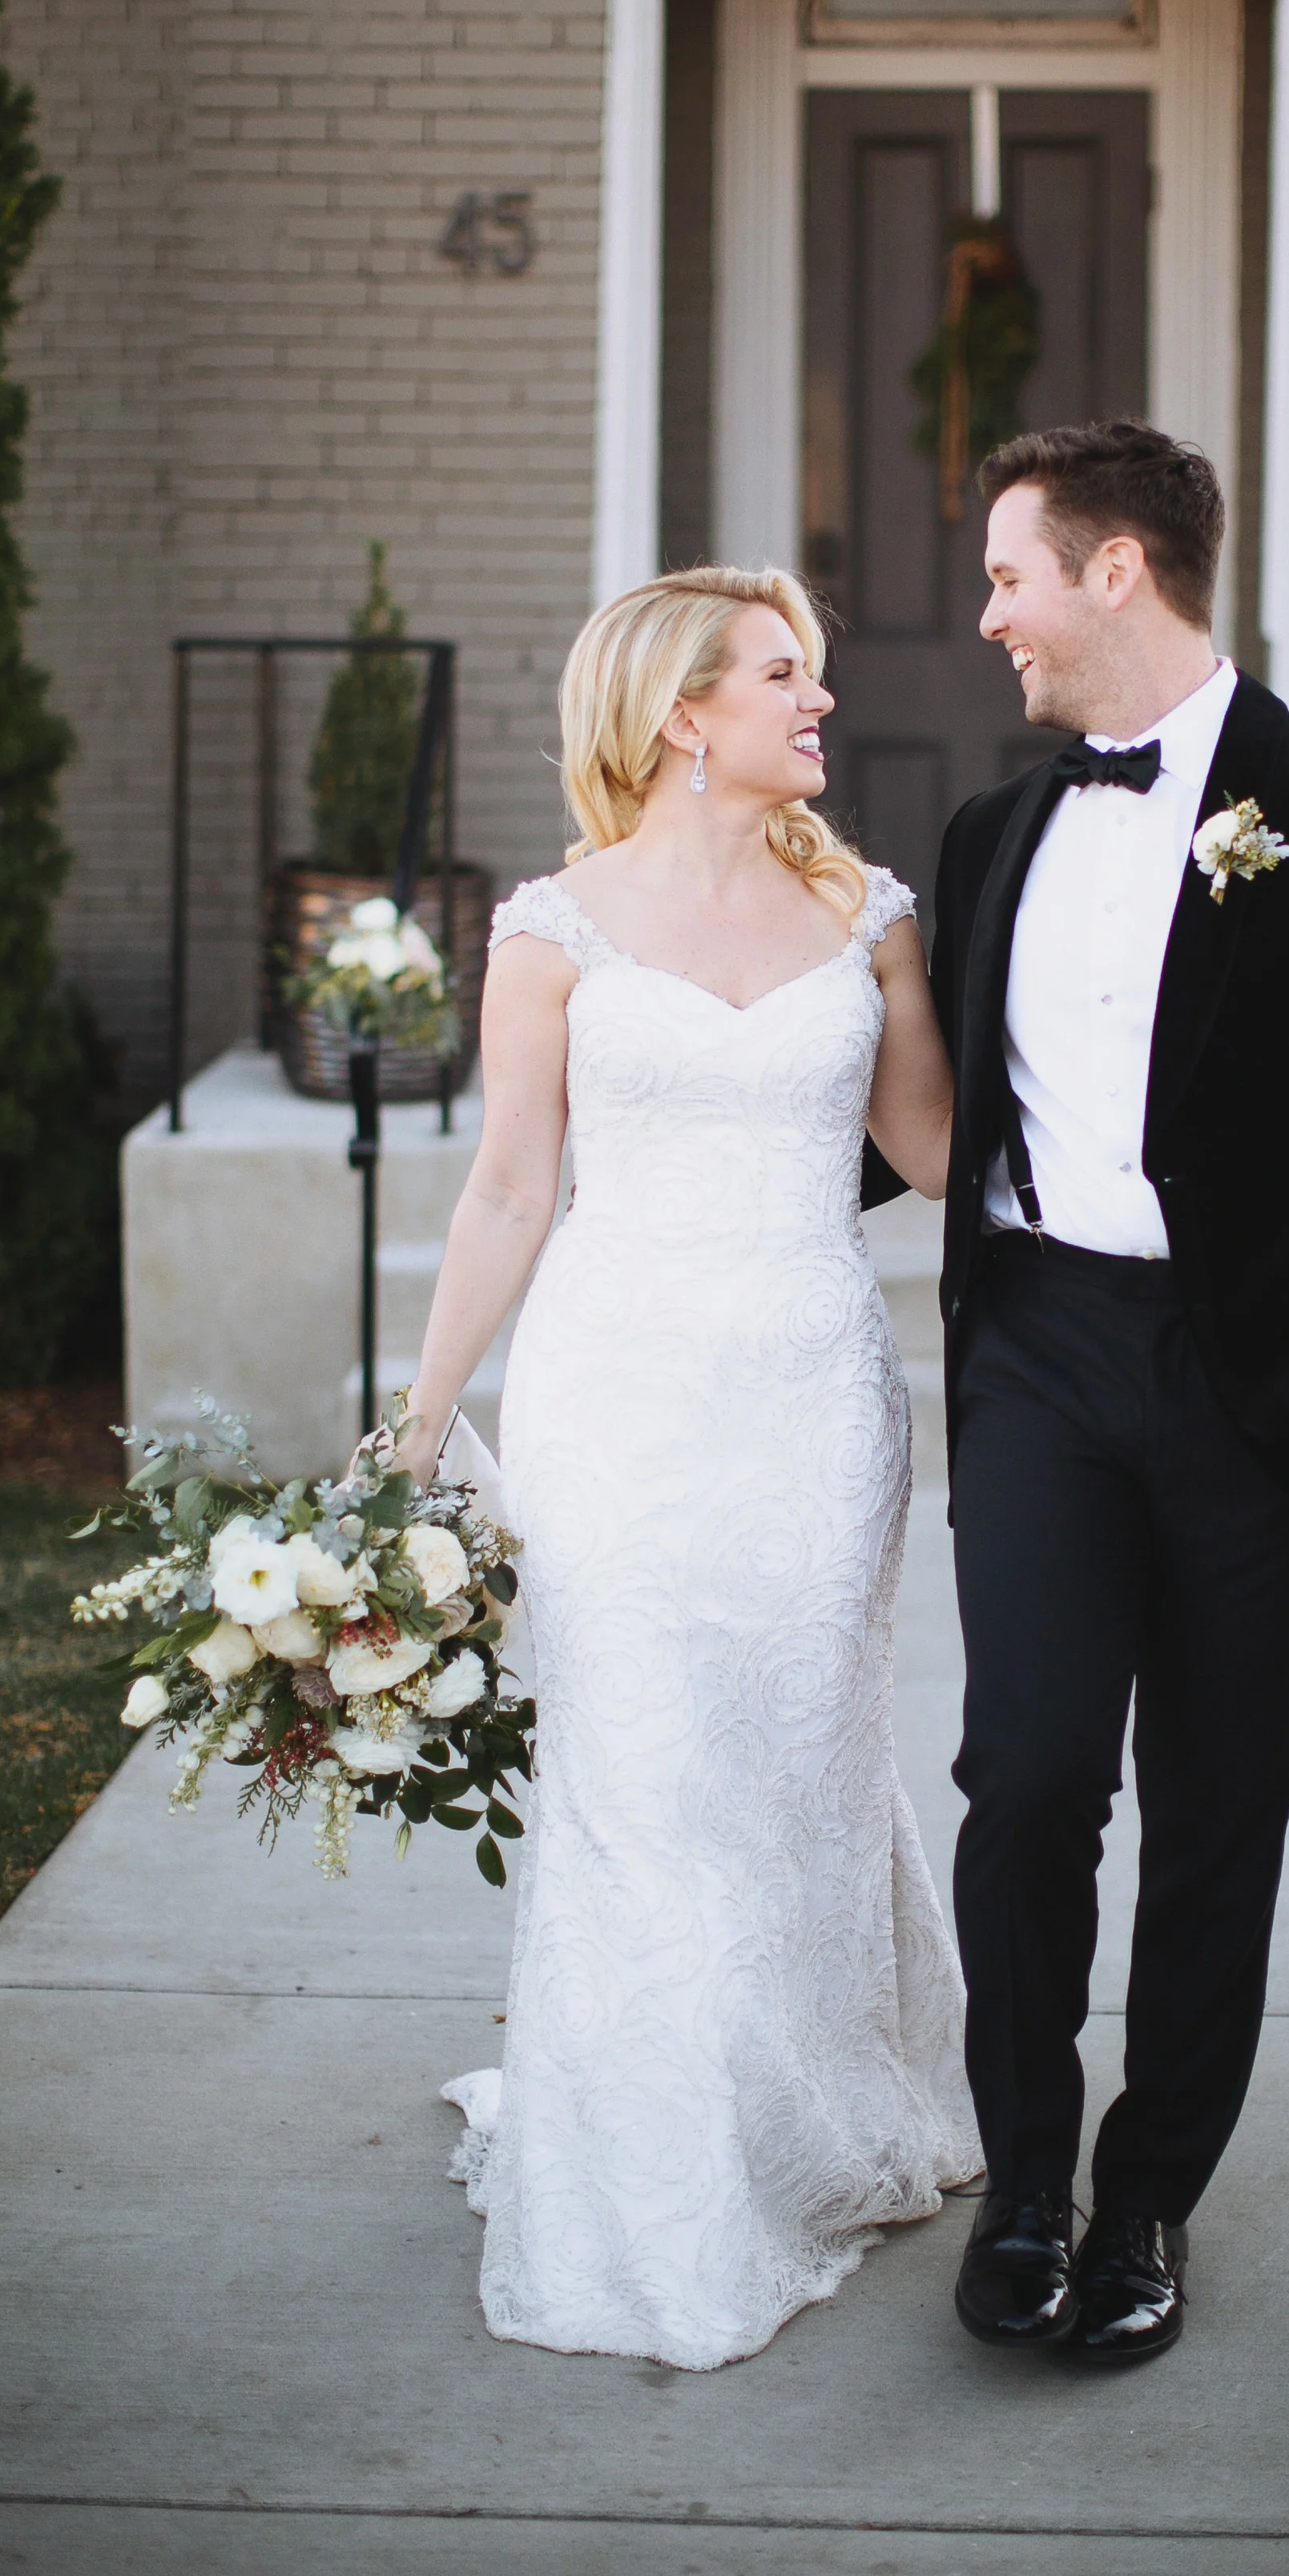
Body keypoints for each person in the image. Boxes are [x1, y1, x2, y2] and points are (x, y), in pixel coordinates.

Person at [913, 420, 1289, 2365]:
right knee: (1025, 1782)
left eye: (1007, 574)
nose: (985, 615)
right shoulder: (990, 835)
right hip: (1037, 1354)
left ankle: (1148, 2193)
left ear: (1113, 572)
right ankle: (1023, 2185)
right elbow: (919, 1120)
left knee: (1214, 1802)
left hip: (1260, 1386)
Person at [399, 565, 981, 2371]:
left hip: (814, 1401)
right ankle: (654, 2202)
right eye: (782, 676)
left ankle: (809, 2099)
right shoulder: (550, 931)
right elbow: (512, 1188)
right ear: (679, 715)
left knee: (794, 1762)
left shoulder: (868, 913)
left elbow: (941, 1150)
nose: (820, 703)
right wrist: (419, 1421)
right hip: (617, 1400)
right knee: (640, 1775)